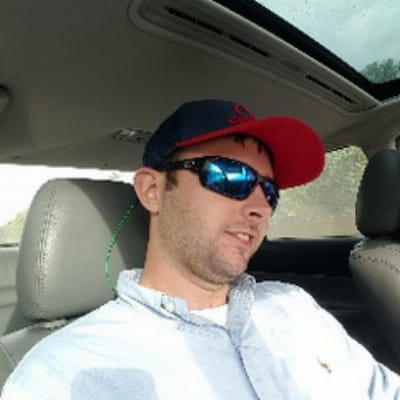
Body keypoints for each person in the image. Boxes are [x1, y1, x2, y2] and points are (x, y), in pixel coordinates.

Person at [1, 99, 400, 400]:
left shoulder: (293, 306)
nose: (261, 207)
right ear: (153, 190)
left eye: (270, 190)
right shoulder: (67, 372)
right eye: (230, 176)